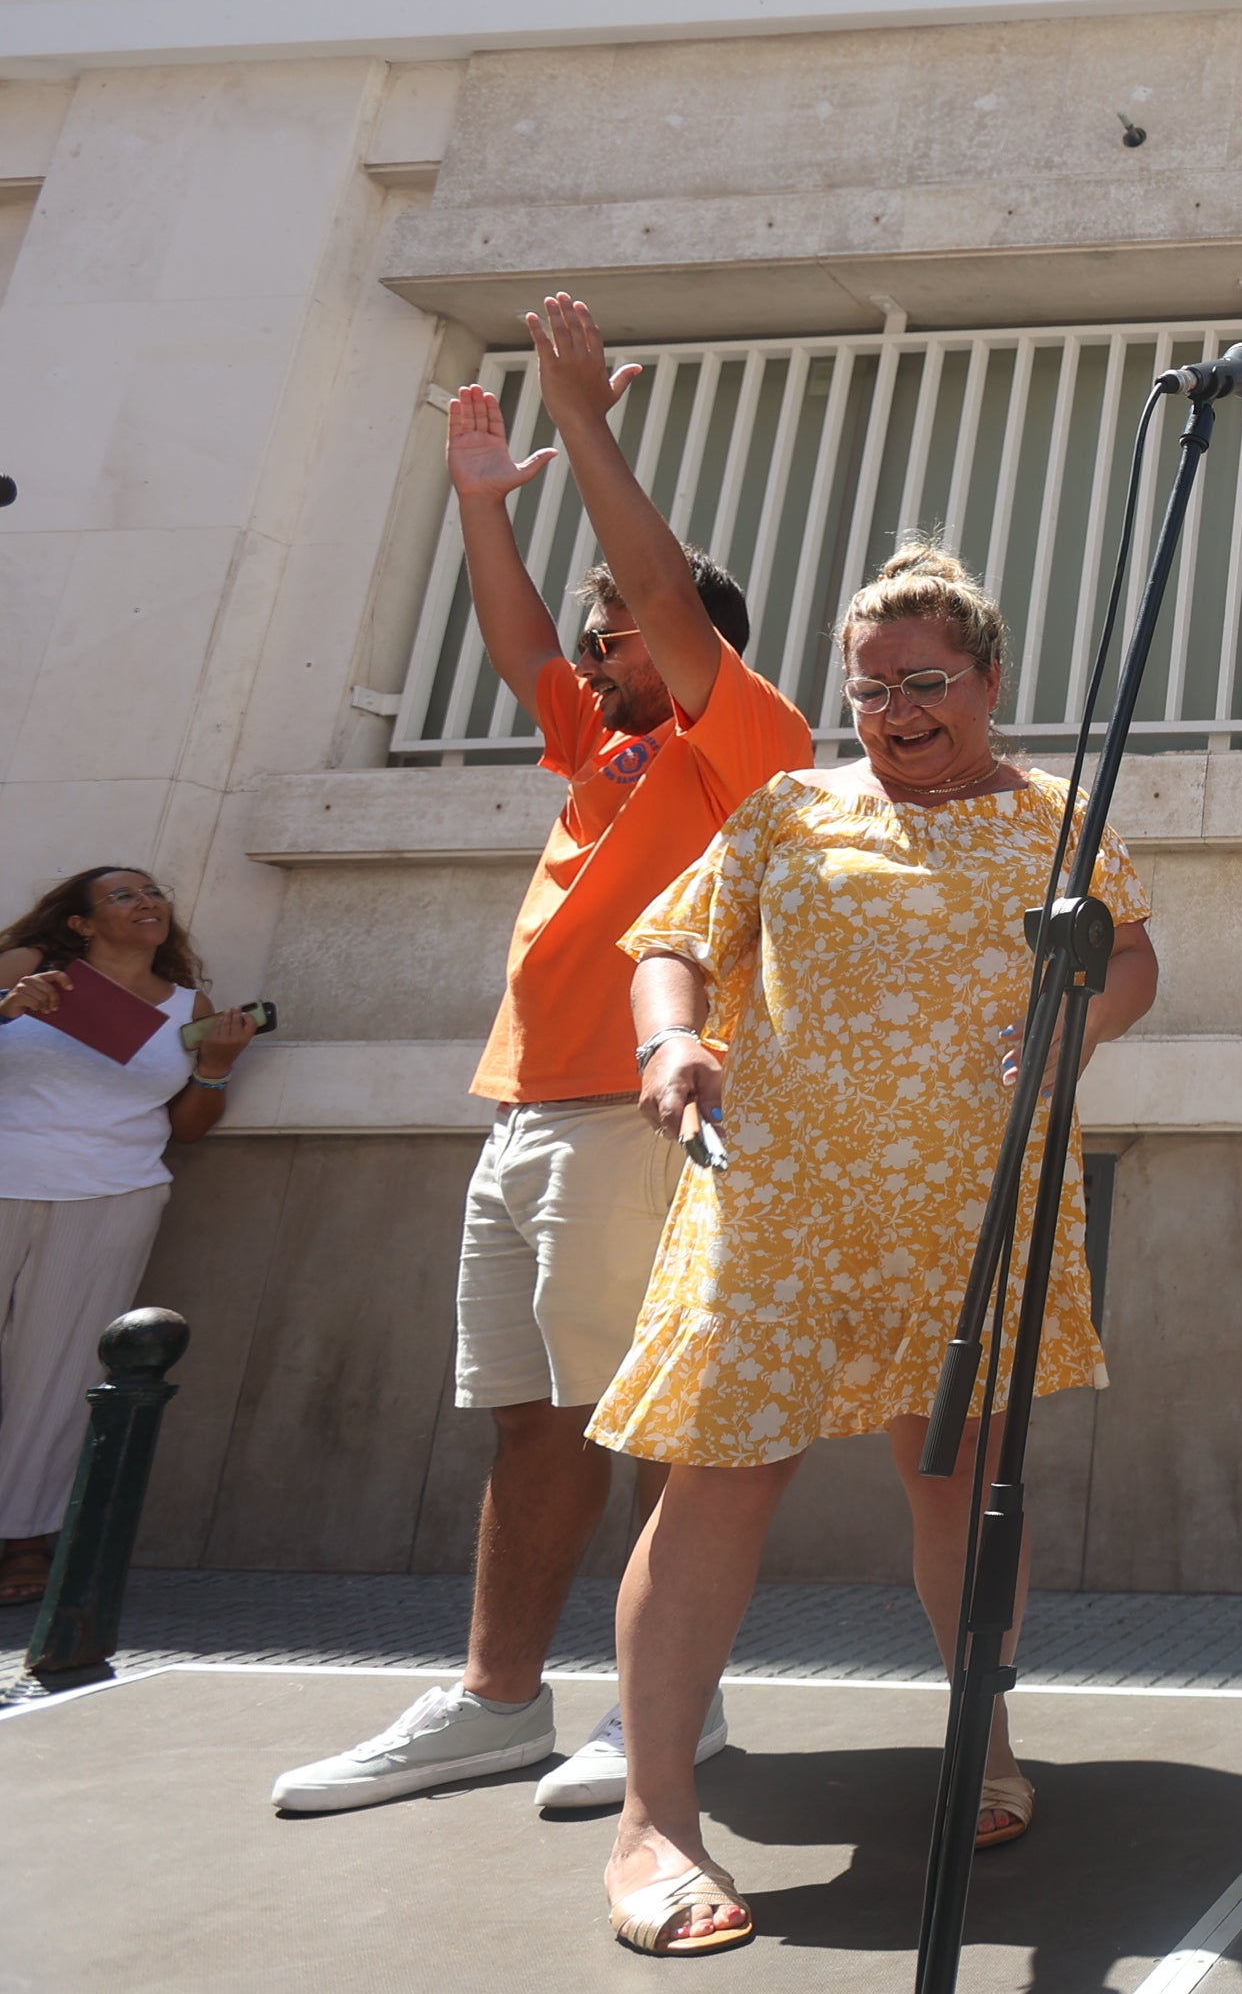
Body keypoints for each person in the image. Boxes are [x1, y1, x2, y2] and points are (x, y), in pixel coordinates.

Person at [273, 295, 812, 1820]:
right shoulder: (603, 744)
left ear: (695, 641)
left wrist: (587, 429)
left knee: (646, 1412)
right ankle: (494, 1702)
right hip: (524, 1114)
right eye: (597, 635)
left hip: (638, 1119)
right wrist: (476, 507)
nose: (599, 641)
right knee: (531, 1417)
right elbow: (519, 635)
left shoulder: (741, 740)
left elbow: (655, 585)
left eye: (625, 625)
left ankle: (673, 1711)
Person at [594, 540, 1157, 1954]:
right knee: (719, 1477)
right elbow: (675, 942)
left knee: (960, 1476)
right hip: (776, 1202)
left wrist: (1077, 1025)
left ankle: (985, 1738)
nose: (898, 713)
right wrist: (671, 1038)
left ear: (988, 681)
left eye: (927, 684)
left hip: (969, 1206)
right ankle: (654, 1818)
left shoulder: (1059, 814)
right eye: (870, 691)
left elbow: (1131, 954)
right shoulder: (789, 809)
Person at [0, 871, 260, 1603]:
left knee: (57, 1371)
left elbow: (187, 1128)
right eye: (122, 895)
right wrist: (3, 1007)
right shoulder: (27, 969)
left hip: (113, 1195)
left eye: (153, 893)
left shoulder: (188, 1007)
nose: (147, 902)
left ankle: (24, 1535)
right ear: (79, 924)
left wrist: (214, 1067)